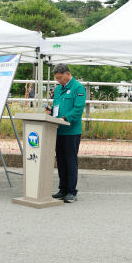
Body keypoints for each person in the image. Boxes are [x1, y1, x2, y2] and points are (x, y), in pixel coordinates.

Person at [46, 63, 86, 204]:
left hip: (71, 131)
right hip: (59, 130)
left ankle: (71, 191)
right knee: (61, 161)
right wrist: (51, 112)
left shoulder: (78, 88)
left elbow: (78, 109)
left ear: (67, 74)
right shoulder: (58, 90)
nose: (58, 81)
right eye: (56, 79)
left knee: (70, 161)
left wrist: (65, 118)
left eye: (60, 78)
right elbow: (57, 108)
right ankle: (62, 189)